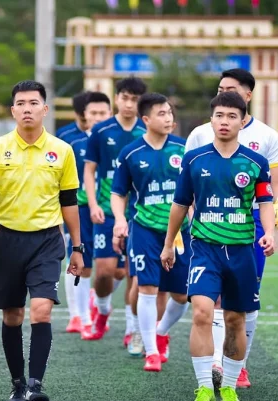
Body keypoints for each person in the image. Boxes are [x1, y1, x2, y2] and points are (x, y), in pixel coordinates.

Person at [0, 80, 84, 401]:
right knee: (13, 315)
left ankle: (35, 385)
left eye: (33, 103)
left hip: (47, 240)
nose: (27, 109)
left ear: (45, 109)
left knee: (41, 311)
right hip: (6, 240)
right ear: (12, 111)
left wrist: (77, 247)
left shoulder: (62, 150)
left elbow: (69, 202)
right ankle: (18, 383)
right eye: (20, 103)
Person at [161, 91, 275, 401]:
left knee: (235, 319)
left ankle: (228, 385)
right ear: (211, 120)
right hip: (204, 249)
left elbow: (265, 201)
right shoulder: (194, 159)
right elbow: (180, 204)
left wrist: (269, 232)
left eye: (232, 116)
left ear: (242, 121)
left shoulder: (256, 162)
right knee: (201, 312)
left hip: (241, 250)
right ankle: (203, 387)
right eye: (219, 116)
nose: (225, 121)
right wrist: (169, 244)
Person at [185, 68, 278, 389]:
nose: (224, 93)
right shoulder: (200, 134)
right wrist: (191, 215)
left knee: (244, 300)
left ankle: (239, 365)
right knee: (209, 301)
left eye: (230, 88)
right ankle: (216, 363)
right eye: (220, 89)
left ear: (248, 95)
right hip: (210, 220)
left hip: (252, 220)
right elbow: (186, 185)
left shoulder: (267, 136)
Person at [111, 93, 191, 372]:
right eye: (161, 113)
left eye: (170, 113)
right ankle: (152, 352)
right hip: (144, 228)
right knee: (147, 288)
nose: (168, 118)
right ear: (145, 119)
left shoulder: (183, 149)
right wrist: (119, 220)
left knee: (181, 295)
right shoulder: (130, 153)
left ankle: (161, 331)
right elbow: (118, 192)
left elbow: (194, 191)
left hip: (180, 232)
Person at [82, 77, 147, 342]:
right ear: (117, 98)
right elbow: (89, 170)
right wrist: (93, 204)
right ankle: (102, 309)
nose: (129, 104)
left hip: (140, 214)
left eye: (135, 99)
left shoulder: (147, 129)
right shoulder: (101, 130)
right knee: (105, 272)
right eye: (125, 98)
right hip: (107, 212)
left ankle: (132, 329)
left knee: (133, 273)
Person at [60, 92, 112, 335]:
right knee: (80, 261)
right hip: (80, 209)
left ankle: (97, 302)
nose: (98, 117)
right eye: (94, 113)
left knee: (115, 270)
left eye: (103, 113)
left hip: (112, 210)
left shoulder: (119, 140)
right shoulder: (70, 141)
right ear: (84, 114)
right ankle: (79, 316)